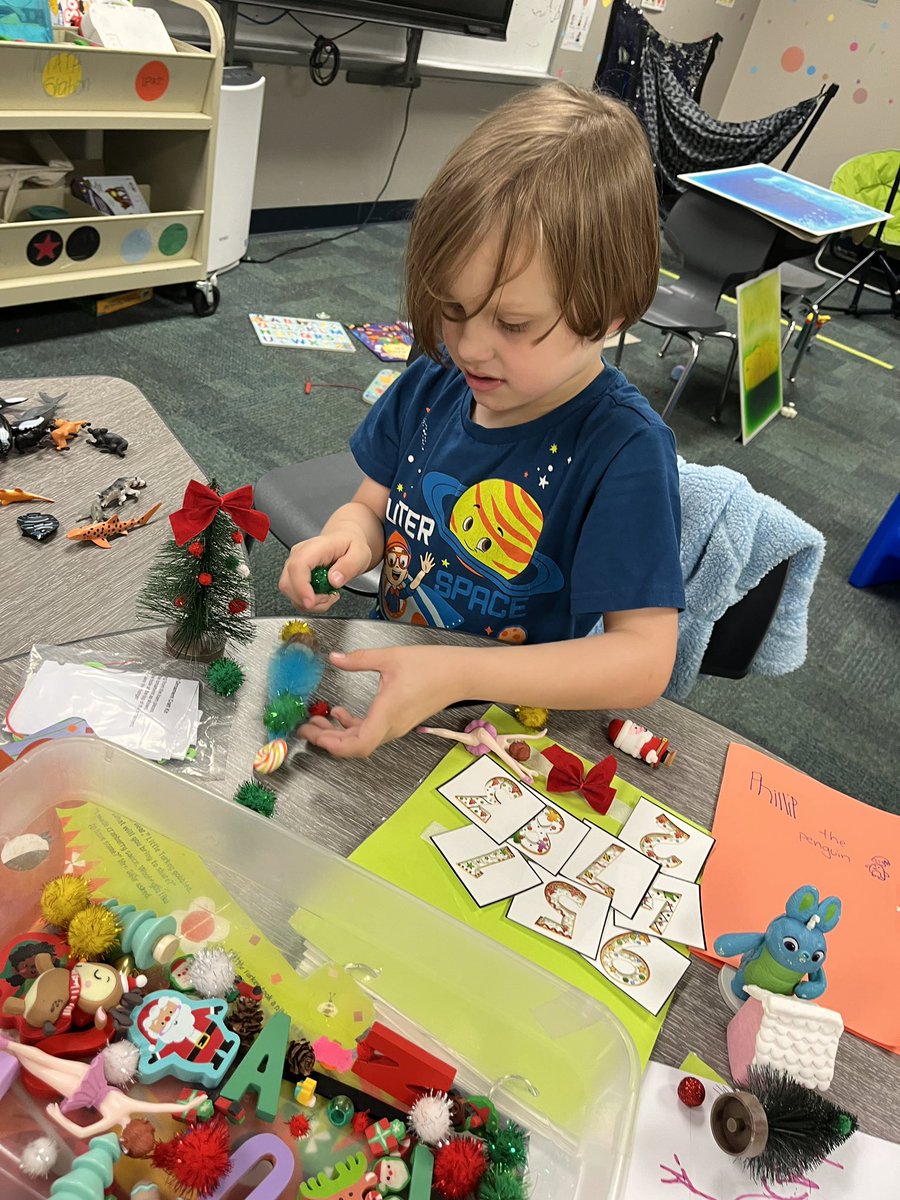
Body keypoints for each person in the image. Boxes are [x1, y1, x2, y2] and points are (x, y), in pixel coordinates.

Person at [279, 82, 684, 757]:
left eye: (515, 323)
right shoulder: (434, 384)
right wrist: (349, 539)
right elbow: (372, 504)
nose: (467, 346)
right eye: (452, 307)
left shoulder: (624, 450)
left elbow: (643, 660)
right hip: (396, 678)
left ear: (611, 313)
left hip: (507, 730)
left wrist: (457, 671)